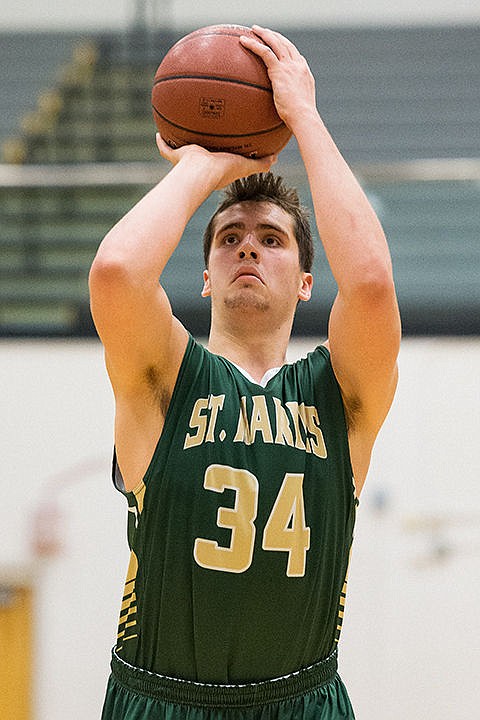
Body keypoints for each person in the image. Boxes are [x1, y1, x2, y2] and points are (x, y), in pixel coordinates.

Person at [90, 25, 401, 720]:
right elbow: (115, 273)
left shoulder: (340, 393)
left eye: (272, 238)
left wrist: (305, 118)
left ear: (306, 282)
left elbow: (374, 284)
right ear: (205, 279)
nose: (248, 250)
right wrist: (203, 165)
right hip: (162, 700)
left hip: (301, 700)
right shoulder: (165, 376)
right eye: (230, 238)